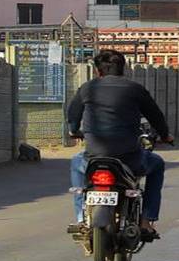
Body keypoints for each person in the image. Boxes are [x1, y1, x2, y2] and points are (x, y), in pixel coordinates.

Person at [66, 51, 173, 240]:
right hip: (129, 159)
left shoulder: (87, 88)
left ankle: (81, 218)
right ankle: (146, 221)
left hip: (94, 158)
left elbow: (73, 116)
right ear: (123, 69)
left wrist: (74, 131)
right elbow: (156, 116)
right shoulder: (135, 89)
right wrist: (165, 136)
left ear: (98, 71)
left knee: (76, 163)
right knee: (157, 164)